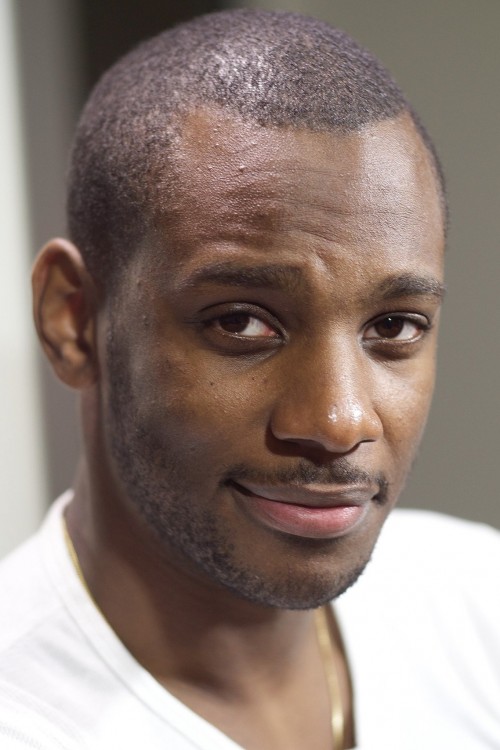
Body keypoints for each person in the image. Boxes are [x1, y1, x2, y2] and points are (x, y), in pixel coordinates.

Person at [1, 9, 499, 750]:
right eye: (241, 322)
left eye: (394, 327)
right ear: (73, 319)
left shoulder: (479, 604)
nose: (339, 421)